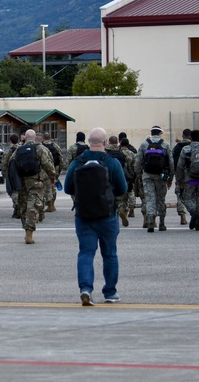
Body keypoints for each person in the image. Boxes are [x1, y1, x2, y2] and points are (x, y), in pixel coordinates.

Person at [63, 127, 127, 306]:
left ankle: (86, 289)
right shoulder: (112, 163)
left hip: (84, 216)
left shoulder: (78, 161)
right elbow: (122, 189)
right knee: (110, 254)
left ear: (90, 142)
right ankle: (110, 292)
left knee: (86, 253)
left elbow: (68, 187)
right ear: (105, 143)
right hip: (107, 215)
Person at [14, 129, 55, 244]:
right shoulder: (40, 149)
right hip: (36, 182)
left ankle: (26, 228)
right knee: (33, 206)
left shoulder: (18, 150)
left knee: (23, 206)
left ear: (25, 138)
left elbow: (11, 164)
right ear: (35, 138)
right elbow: (47, 164)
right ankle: (29, 232)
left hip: (22, 182)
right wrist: (52, 177)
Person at [135, 126, 173, 233]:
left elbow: (138, 162)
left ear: (151, 133)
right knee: (161, 199)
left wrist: (139, 176)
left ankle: (150, 220)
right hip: (161, 176)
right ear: (160, 133)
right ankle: (161, 223)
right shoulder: (165, 145)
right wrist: (171, 177)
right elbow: (171, 162)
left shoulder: (144, 144)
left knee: (150, 198)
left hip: (147, 175)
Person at [103, 135, 135, 227]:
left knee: (109, 198)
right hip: (121, 176)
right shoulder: (123, 152)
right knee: (121, 199)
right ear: (117, 142)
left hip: (107, 178)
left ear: (108, 142)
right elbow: (130, 166)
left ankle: (113, 217)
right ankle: (122, 210)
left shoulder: (104, 152)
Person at [170, 129, 193, 226]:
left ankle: (182, 216)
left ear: (182, 135)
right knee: (193, 194)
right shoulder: (193, 146)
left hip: (179, 173)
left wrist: (171, 177)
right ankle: (195, 215)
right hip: (191, 174)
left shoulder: (177, 147)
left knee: (180, 194)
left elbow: (172, 161)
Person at [41, 133, 64, 213]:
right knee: (53, 186)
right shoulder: (55, 146)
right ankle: (52, 204)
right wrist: (59, 170)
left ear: (43, 138)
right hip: (55, 168)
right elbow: (61, 158)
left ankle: (48, 204)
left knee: (45, 187)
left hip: (45, 169)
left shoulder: (41, 146)